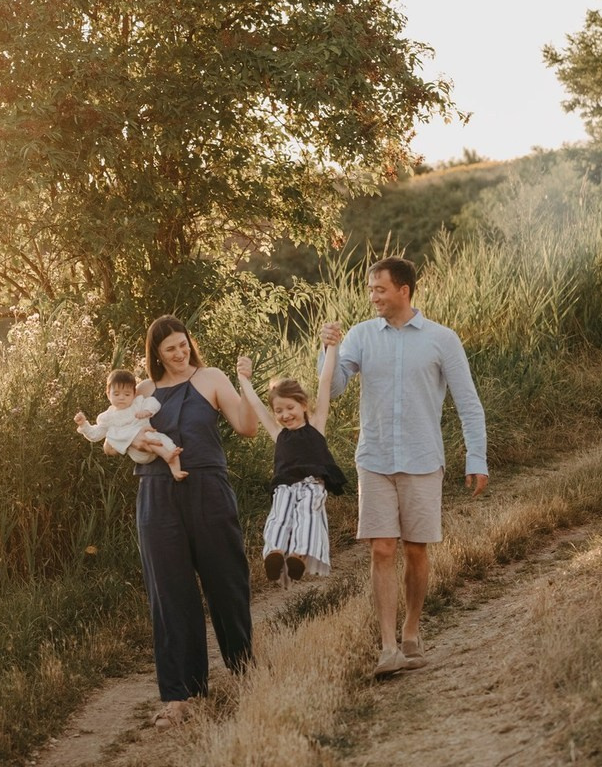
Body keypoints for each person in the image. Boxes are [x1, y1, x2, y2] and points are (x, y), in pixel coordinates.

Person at [320, 255, 488, 677]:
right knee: (381, 548)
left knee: (415, 550)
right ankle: (388, 647)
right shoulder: (360, 336)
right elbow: (334, 388)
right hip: (374, 458)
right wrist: (329, 350)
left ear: (404, 291)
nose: (373, 296)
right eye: (371, 289)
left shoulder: (441, 339)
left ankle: (412, 631)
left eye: (380, 289)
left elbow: (467, 402)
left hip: (421, 458)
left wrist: (477, 456)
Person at [103, 315, 259, 729]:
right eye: (170, 347)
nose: (180, 352)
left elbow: (247, 428)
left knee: (227, 582)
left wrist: (245, 384)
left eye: (183, 343)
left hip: (207, 489)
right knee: (169, 594)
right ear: (156, 353)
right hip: (155, 495)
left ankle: (246, 674)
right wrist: (133, 439)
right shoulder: (143, 391)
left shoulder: (210, 378)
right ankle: (181, 695)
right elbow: (109, 439)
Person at [236, 336, 346, 586]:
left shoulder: (316, 425)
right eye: (279, 411)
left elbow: (325, 381)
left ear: (303, 405)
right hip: (285, 485)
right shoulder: (278, 435)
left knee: (308, 513)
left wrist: (331, 347)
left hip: (311, 484)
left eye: (290, 408)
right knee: (279, 516)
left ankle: (299, 556)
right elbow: (254, 402)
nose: (285, 415)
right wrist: (243, 377)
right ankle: (274, 553)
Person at [75, 368, 188, 481]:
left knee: (169, 444)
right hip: (138, 453)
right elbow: (95, 435)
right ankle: (166, 456)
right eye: (116, 394)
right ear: (108, 394)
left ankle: (176, 472)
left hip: (153, 441)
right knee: (132, 432)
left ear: (134, 394)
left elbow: (154, 403)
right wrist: (84, 425)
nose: (121, 397)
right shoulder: (108, 417)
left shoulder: (138, 404)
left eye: (127, 394)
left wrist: (147, 411)